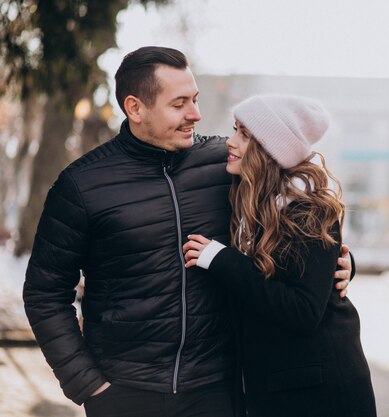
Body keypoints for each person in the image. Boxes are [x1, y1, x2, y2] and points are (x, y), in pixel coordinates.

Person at [23, 46, 352, 417]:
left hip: (218, 390)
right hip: (125, 393)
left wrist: (337, 262)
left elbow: (290, 217)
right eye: (179, 104)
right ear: (135, 108)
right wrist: (88, 384)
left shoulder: (225, 165)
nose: (195, 114)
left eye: (194, 99)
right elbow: (44, 293)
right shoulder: (82, 185)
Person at [183, 94, 377, 417]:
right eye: (235, 129)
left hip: (325, 396)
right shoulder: (249, 202)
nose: (230, 141)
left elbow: (303, 310)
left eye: (244, 134)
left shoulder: (308, 211)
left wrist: (221, 260)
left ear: (268, 149)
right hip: (277, 391)